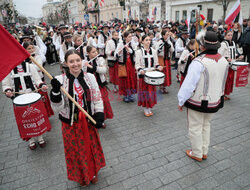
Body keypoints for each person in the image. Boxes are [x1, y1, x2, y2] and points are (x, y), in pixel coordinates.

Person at [50, 49, 106, 186]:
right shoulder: (59, 80)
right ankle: (81, 175)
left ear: (82, 61)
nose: (75, 64)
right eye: (71, 61)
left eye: (78, 60)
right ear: (65, 63)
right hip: (70, 124)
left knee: (90, 148)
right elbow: (56, 108)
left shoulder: (90, 77)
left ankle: (92, 172)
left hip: (88, 121)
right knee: (75, 151)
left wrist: (99, 115)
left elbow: (97, 98)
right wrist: (56, 92)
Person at [177, 31, 229, 162]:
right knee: (206, 125)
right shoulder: (223, 60)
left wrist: (181, 100)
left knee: (195, 127)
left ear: (203, 46)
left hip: (198, 101)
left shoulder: (199, 62)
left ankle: (197, 153)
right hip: (215, 100)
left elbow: (188, 85)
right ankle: (204, 151)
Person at [2, 60, 49, 150]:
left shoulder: (30, 66)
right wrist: (8, 90)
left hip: (32, 95)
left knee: (36, 117)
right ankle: (30, 139)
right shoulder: (9, 69)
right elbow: (6, 84)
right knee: (24, 120)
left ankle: (40, 137)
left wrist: (41, 85)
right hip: (18, 98)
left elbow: (37, 79)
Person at [85, 46, 113, 127]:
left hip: (100, 84)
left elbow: (103, 70)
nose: (96, 53)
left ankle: (102, 120)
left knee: (103, 101)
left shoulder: (100, 59)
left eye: (96, 51)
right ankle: (93, 119)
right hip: (90, 86)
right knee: (92, 102)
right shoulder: (85, 61)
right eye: (93, 52)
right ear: (88, 53)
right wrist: (85, 65)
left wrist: (92, 67)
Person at [135, 34, 163, 116]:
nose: (148, 42)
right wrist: (140, 70)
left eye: (149, 40)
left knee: (151, 92)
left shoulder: (154, 51)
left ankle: (149, 108)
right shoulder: (139, 52)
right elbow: (137, 65)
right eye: (146, 40)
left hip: (152, 75)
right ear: (142, 42)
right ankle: (145, 108)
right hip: (143, 75)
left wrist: (159, 67)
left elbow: (156, 63)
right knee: (145, 92)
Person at [218, 30, 244, 100]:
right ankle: (221, 94)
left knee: (230, 80)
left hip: (232, 64)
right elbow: (219, 54)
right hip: (225, 65)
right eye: (228, 35)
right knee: (225, 79)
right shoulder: (223, 43)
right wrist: (226, 58)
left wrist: (238, 56)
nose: (230, 36)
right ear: (225, 35)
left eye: (231, 35)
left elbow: (234, 53)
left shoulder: (233, 43)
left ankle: (225, 93)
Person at [117, 31, 137, 103]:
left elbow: (135, 53)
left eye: (131, 36)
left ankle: (131, 94)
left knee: (131, 79)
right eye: (129, 37)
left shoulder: (133, 44)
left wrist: (129, 50)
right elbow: (116, 55)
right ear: (125, 37)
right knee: (125, 80)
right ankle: (126, 95)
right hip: (124, 65)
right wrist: (119, 53)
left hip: (131, 64)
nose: (130, 38)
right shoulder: (120, 44)